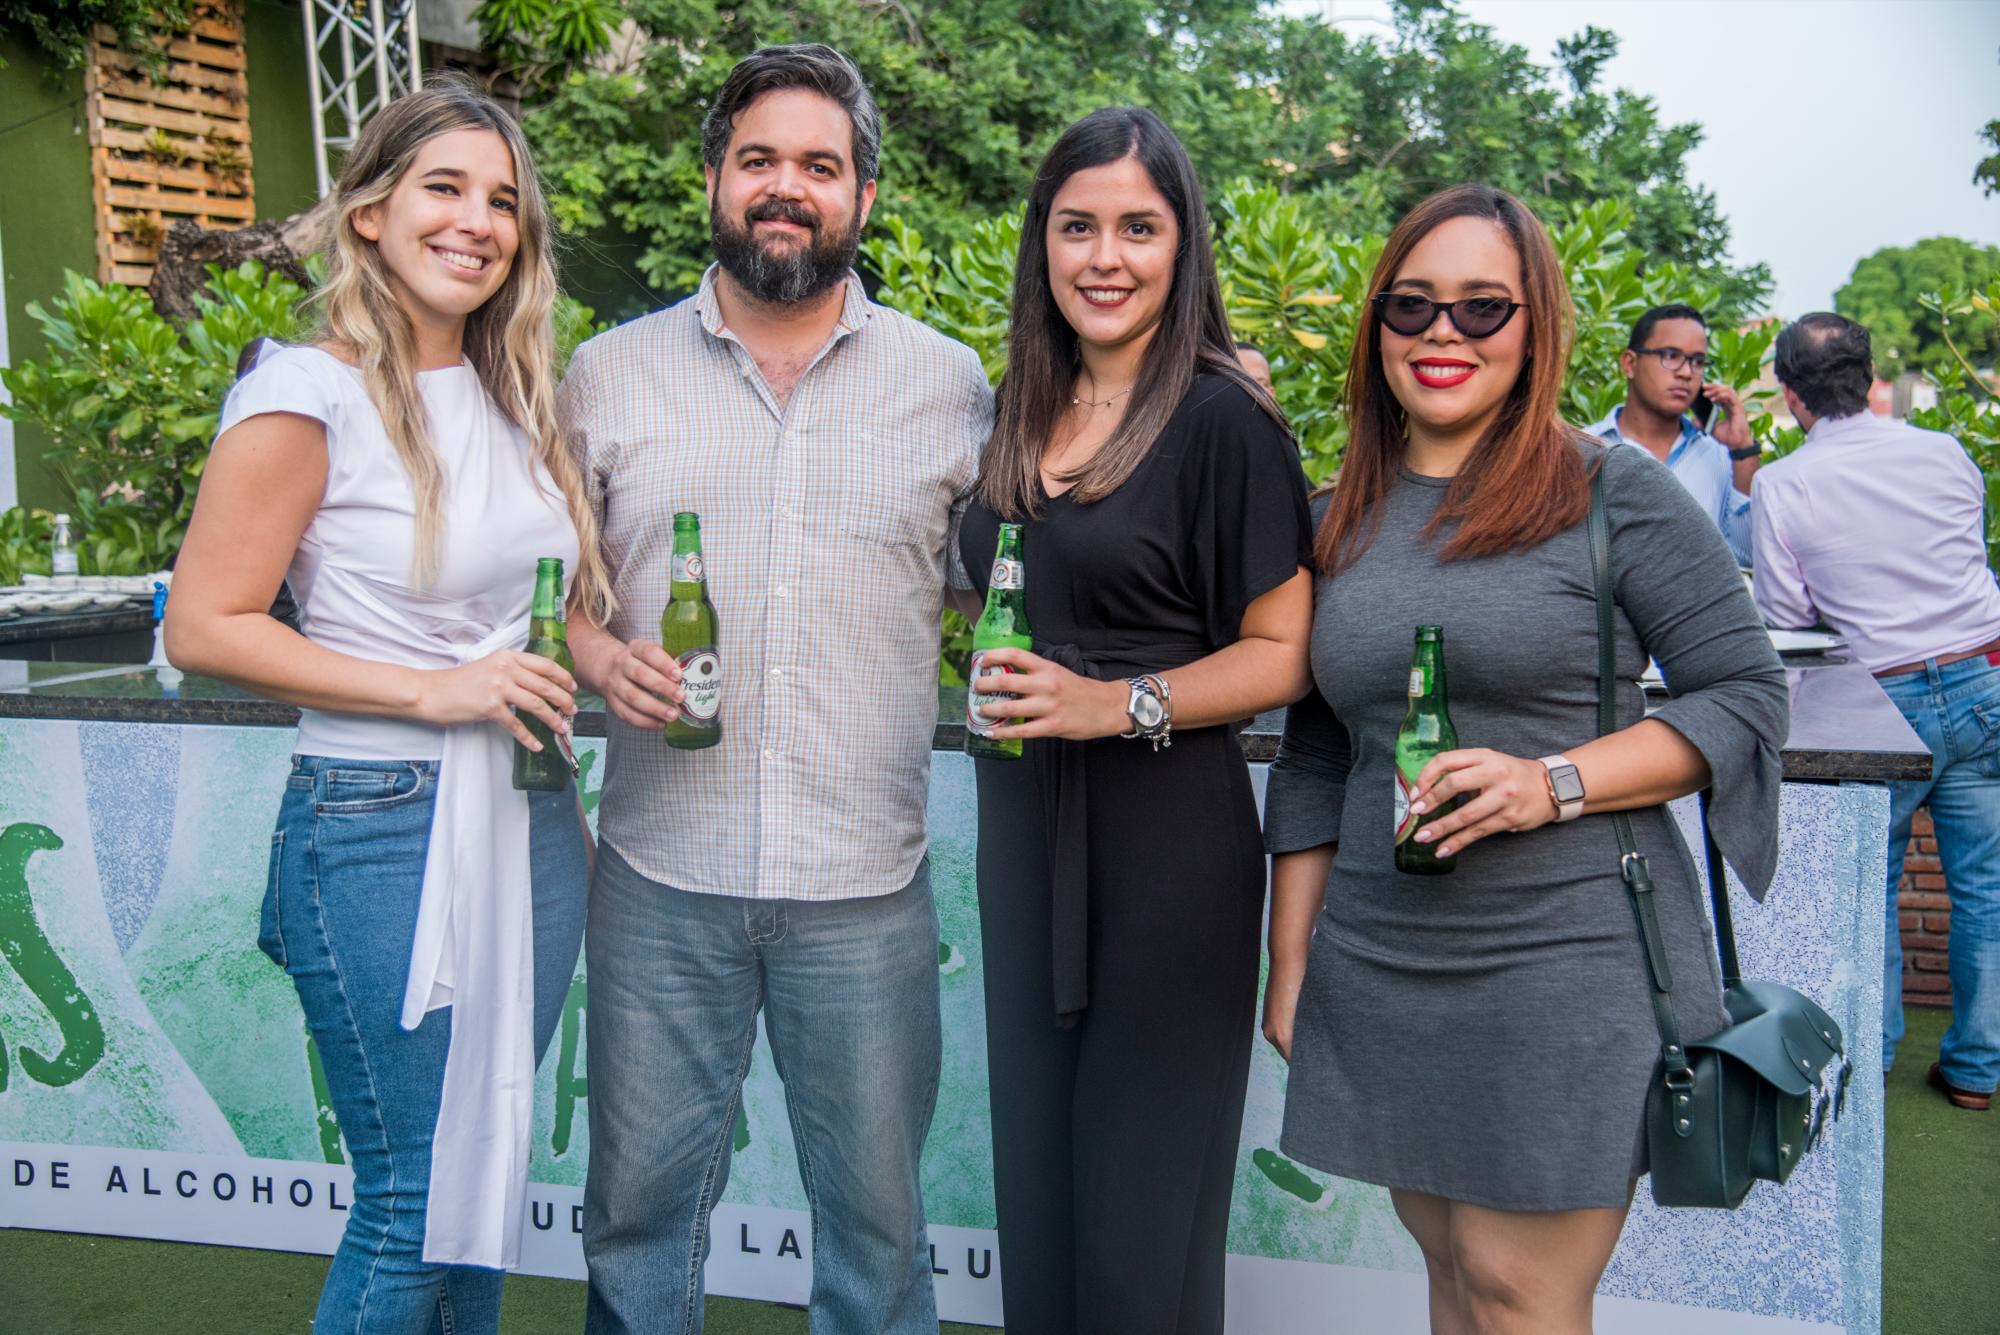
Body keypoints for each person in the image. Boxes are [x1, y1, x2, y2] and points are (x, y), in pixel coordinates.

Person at [1260, 184, 1787, 1334]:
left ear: (1535, 326)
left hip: (1564, 956)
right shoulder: (1333, 511)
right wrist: (1288, 955)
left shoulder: (1609, 492)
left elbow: (1744, 694)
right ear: (1374, 328)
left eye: (1481, 308)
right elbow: (1314, 746)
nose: (1441, 334)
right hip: (1380, 955)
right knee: (1448, 1271)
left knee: (1513, 1287)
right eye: (1411, 306)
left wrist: (1546, 783)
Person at [559, 44, 993, 1335]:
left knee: (878, 1241)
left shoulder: (954, 385)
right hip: (657, 879)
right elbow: (557, 595)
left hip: (864, 888)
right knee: (635, 1226)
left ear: (864, 194)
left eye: (820, 164)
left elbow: (1006, 597)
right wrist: (594, 653)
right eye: (759, 160)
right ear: (712, 179)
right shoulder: (606, 375)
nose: (785, 187)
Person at [164, 77, 604, 1332]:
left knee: (481, 1191)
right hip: (378, 822)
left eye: (502, 201)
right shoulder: (305, 393)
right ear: (368, 212)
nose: (477, 221)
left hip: (526, 821)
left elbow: (534, 614)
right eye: (444, 188)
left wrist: (602, 666)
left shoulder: (520, 396)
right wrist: (440, 690)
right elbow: (205, 627)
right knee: (415, 1202)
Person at [959, 106, 1314, 1334]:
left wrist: (1113, 703)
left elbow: (1284, 656)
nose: (1103, 256)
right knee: (1040, 1203)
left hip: (1168, 849)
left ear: (1183, 246)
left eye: (1137, 228)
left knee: (1139, 1227)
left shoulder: (1224, 419)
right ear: (1040, 246)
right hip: (1022, 831)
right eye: (1076, 227)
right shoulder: (1015, 404)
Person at [1753, 312, 2000, 1113]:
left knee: (1872, 887)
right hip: (1985, 678)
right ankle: (1975, 1071)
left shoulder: (1783, 484)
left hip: (1879, 698)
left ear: (1791, 396)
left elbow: (1789, 622)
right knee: (1987, 887)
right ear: (1868, 376)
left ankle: (1877, 1058)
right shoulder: (1946, 452)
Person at [1587, 303, 1760, 565]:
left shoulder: (1719, 457)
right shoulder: (1584, 449)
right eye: (1670, 356)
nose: (1686, 372)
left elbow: (1746, 558)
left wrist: (1743, 451)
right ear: (1630, 364)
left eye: (1697, 361)